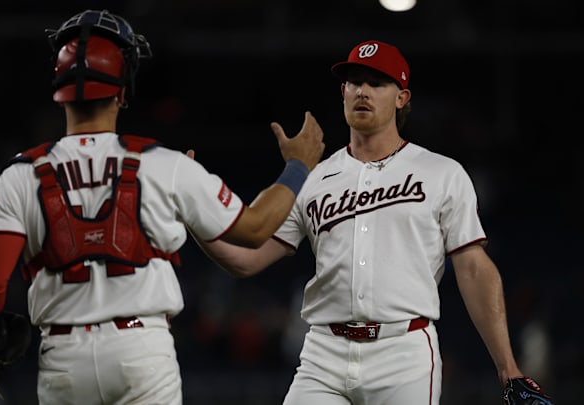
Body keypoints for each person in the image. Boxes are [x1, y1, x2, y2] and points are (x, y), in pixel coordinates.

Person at [0, 9, 324, 405]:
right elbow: (255, 229)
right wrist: (298, 168)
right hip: (140, 352)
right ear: (122, 91)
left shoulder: (19, 175)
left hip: (63, 356)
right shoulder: (165, 165)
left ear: (59, 89)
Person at [193, 39, 551, 404]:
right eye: (354, 82)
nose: (362, 91)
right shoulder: (313, 178)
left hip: (403, 351)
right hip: (323, 353)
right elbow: (246, 259)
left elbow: (474, 268)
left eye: (377, 83)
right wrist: (192, 211)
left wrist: (508, 368)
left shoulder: (442, 173)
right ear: (343, 92)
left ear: (401, 97)